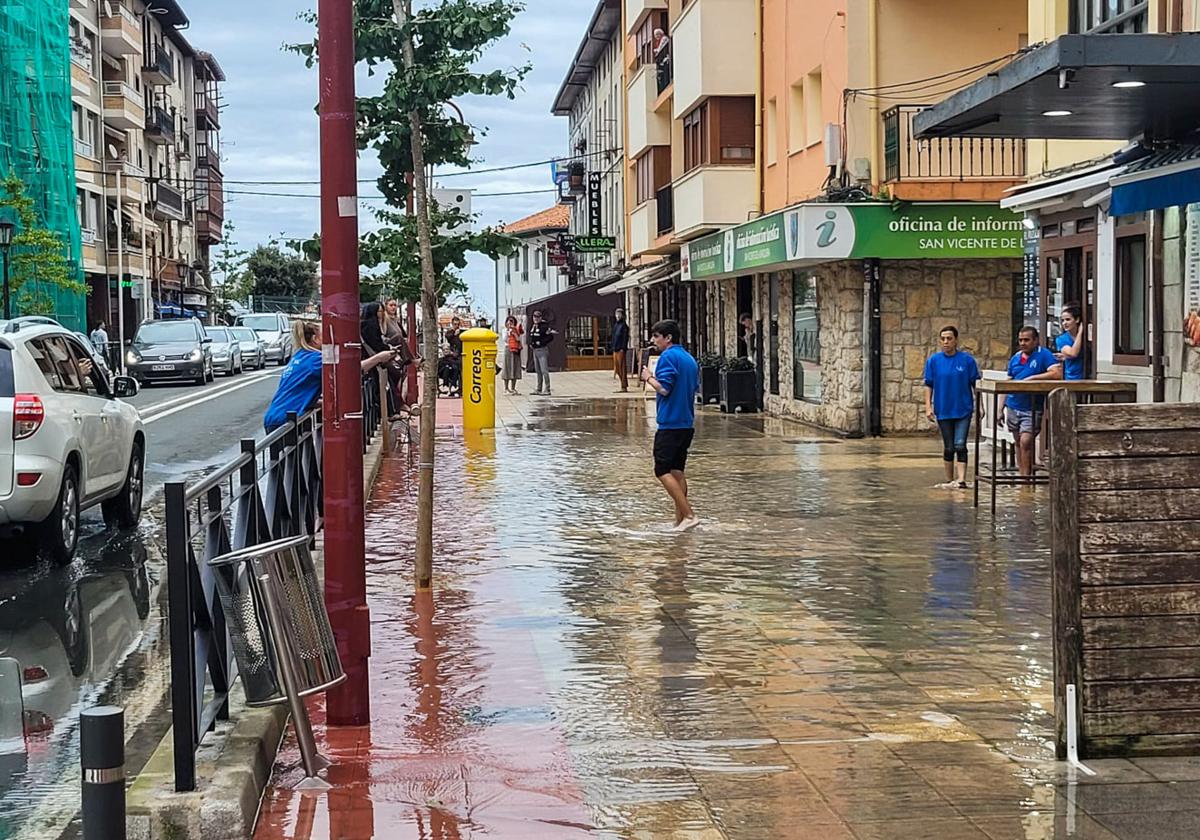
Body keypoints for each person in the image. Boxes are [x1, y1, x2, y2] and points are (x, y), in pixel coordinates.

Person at [263, 320, 393, 433]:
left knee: (288, 460)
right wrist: (378, 358)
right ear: (314, 339)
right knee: (291, 460)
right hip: (285, 419)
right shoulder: (315, 359)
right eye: (323, 336)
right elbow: (349, 370)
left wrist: (317, 402)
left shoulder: (300, 356)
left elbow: (299, 389)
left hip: (277, 415)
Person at [640, 319, 700, 532]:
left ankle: (690, 514)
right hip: (686, 423)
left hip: (670, 424)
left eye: (656, 336)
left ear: (668, 338)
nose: (653, 340)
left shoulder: (667, 357)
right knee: (677, 471)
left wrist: (648, 377)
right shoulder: (690, 359)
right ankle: (680, 520)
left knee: (662, 469)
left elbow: (664, 388)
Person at [923, 325, 981, 490]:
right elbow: (929, 384)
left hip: (963, 408)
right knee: (949, 447)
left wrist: (980, 406)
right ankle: (950, 479)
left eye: (949, 338)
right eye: (943, 339)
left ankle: (961, 479)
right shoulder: (933, 361)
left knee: (960, 444)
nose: (946, 342)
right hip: (943, 409)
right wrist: (928, 406)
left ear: (956, 340)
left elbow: (975, 384)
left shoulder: (967, 360)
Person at [1002, 326, 1061, 477]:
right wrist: (999, 409)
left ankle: (1027, 477)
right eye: (1021, 340)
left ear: (1035, 341)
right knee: (1018, 442)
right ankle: (1024, 476)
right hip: (1013, 405)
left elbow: (1056, 373)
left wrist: (1034, 378)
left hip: (1031, 407)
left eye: (1026, 340)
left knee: (1026, 441)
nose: (1023, 343)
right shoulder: (1016, 358)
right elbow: (1007, 383)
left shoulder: (1044, 355)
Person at [527, 310, 557, 396]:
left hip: (542, 350)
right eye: (534, 317)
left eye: (538, 317)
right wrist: (531, 344)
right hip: (535, 350)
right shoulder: (533, 326)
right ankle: (539, 388)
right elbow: (532, 336)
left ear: (541, 318)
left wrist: (541, 342)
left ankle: (547, 388)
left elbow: (550, 337)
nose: (536, 319)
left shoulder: (544, 326)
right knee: (538, 370)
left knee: (544, 370)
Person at [1054, 302, 1086, 381]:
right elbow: (1073, 353)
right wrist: (1080, 333)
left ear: (1077, 320)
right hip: (1072, 379)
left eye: (1068, 319)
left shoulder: (1087, 337)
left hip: (1087, 376)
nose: (1065, 323)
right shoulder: (1061, 339)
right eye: (1063, 320)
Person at [502, 315, 524, 395]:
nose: (510, 323)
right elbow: (505, 339)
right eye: (508, 321)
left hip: (516, 350)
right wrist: (508, 332)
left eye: (512, 321)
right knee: (507, 368)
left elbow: (518, 339)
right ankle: (506, 388)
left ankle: (513, 388)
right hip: (508, 349)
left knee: (515, 368)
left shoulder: (516, 330)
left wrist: (514, 333)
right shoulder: (504, 330)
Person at [442, 316, 463, 397]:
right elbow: (448, 337)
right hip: (452, 355)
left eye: (457, 324)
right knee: (449, 365)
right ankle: (449, 385)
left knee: (459, 367)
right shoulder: (450, 332)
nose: (456, 326)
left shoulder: (462, 333)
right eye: (455, 324)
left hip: (459, 355)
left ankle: (458, 387)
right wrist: (454, 333)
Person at [611, 307, 630, 392]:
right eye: (616, 314)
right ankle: (622, 383)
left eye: (619, 314)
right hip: (615, 348)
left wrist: (623, 348)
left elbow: (625, 338)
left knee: (622, 367)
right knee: (617, 368)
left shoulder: (624, 326)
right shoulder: (616, 325)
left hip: (621, 349)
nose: (617, 316)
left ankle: (624, 385)